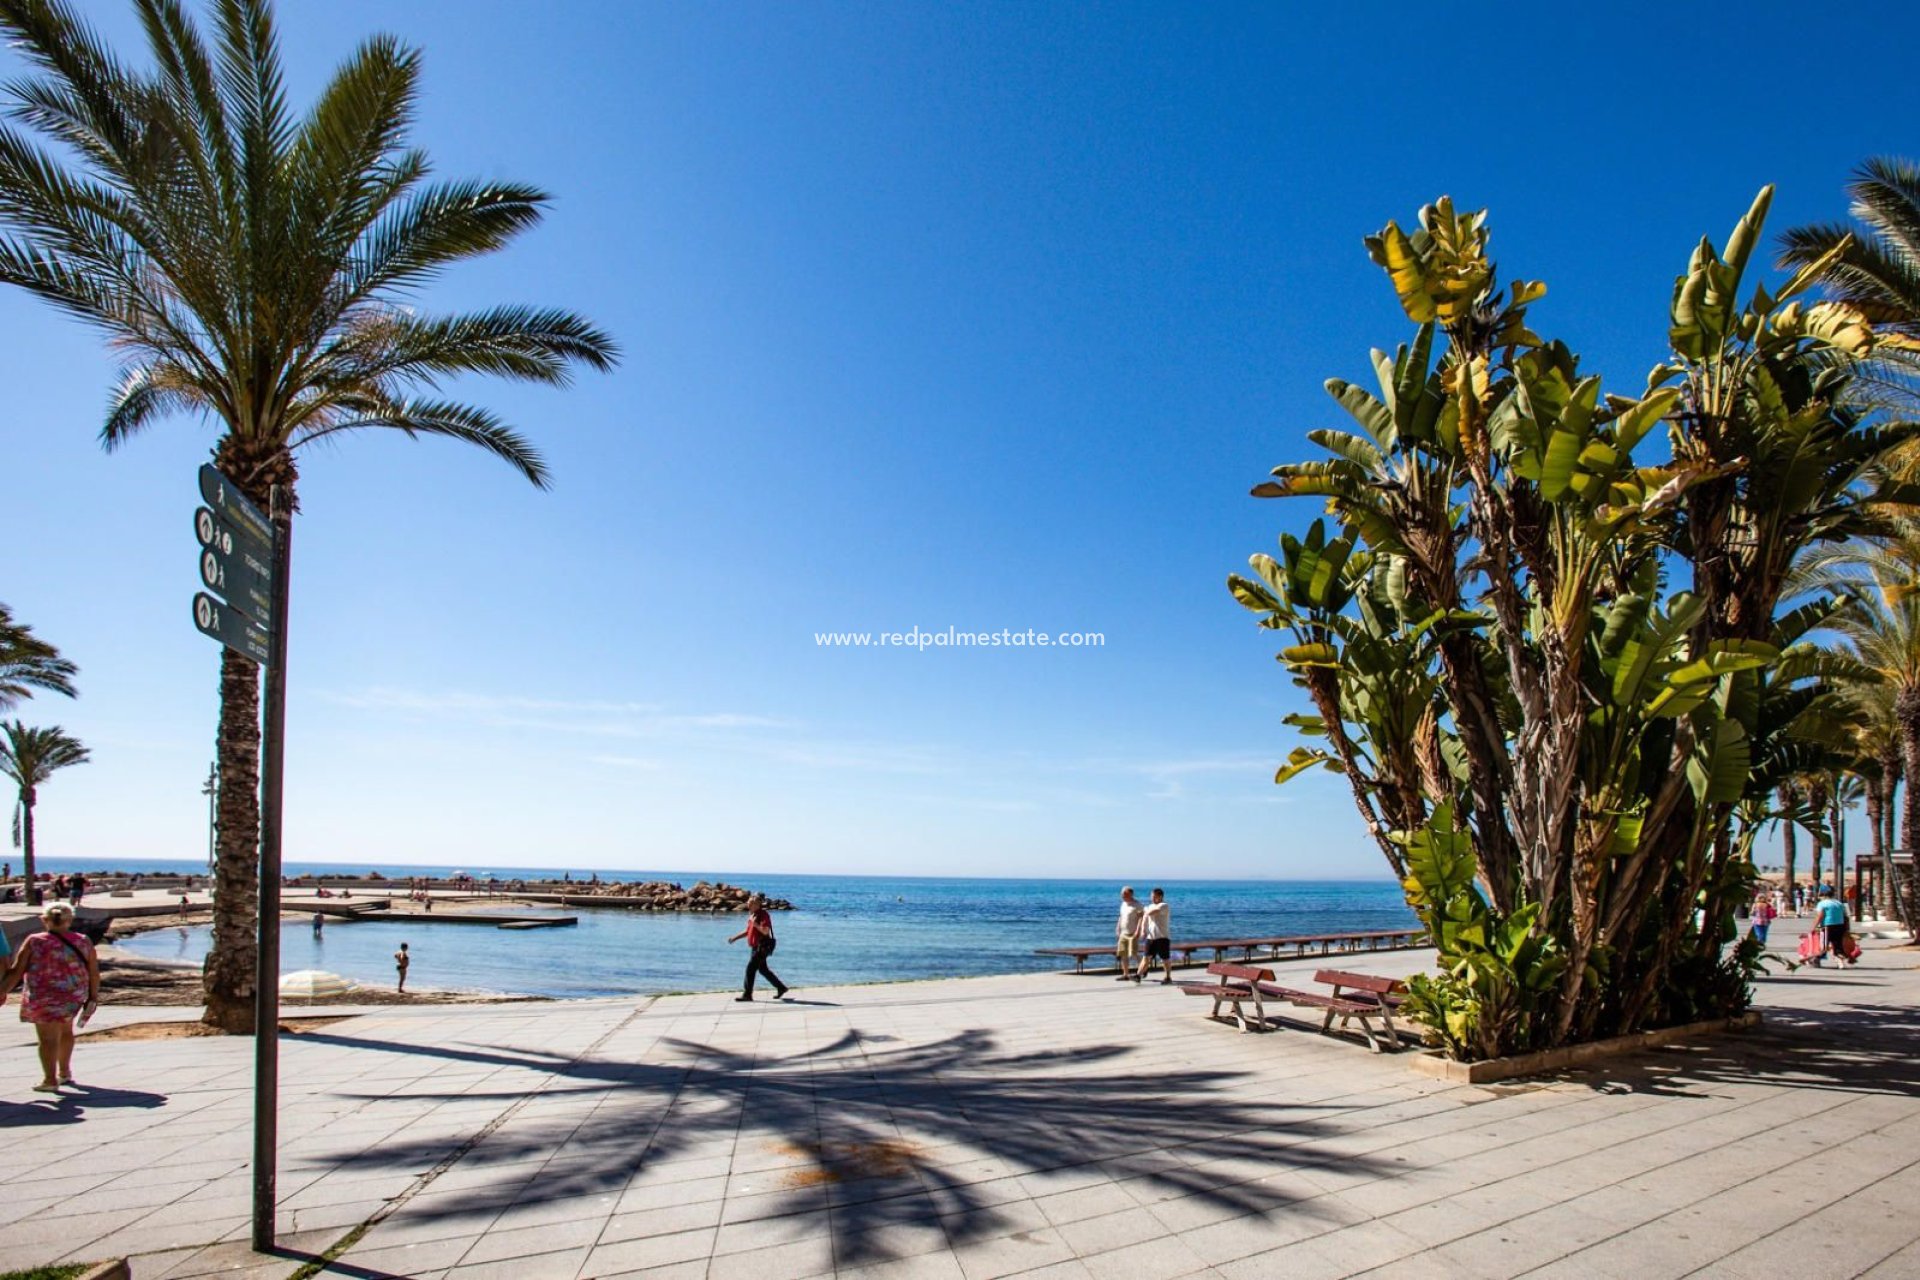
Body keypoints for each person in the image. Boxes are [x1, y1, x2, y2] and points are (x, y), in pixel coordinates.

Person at [0, 902, 100, 1092]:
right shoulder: (83, 940)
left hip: (43, 996)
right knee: (66, 1031)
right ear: (69, 920)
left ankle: (49, 1080)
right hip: (73, 995)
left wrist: (2, 990)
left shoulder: (35, 940)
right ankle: (65, 1072)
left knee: (47, 1039)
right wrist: (93, 996)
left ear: (44, 920)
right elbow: (93, 971)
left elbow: (16, 971)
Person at [728, 894, 789, 1002]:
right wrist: (734, 938)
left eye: (749, 902)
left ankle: (747, 994)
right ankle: (781, 987)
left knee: (750, 969)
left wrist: (755, 923)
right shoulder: (753, 915)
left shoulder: (763, 915)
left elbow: (765, 931)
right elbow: (748, 931)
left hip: (762, 947)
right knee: (763, 970)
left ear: (756, 904)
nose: (747, 904)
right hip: (755, 947)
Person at [1135, 888, 1173, 984]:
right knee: (1146, 957)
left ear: (1160, 896)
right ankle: (1138, 975)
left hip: (1162, 937)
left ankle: (1168, 977)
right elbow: (1145, 918)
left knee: (1165, 959)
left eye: (1154, 896)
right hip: (1151, 937)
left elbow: (1152, 912)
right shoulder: (1150, 906)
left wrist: (1145, 910)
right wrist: (1143, 930)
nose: (1151, 898)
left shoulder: (1164, 905)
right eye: (1151, 896)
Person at [1815, 886, 1852, 967]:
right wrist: (1847, 929)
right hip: (1840, 926)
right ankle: (1840, 960)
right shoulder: (1839, 903)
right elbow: (1846, 917)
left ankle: (1817, 959)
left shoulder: (1822, 903)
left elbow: (1820, 916)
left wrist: (1814, 927)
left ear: (1823, 895)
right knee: (1837, 944)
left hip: (1827, 926)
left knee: (1824, 945)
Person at [1114, 887, 1144, 981]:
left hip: (1133, 932)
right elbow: (1121, 917)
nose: (1122, 896)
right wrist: (1117, 927)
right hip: (1123, 932)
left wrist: (1138, 930)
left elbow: (1141, 918)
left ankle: (1143, 969)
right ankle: (1125, 974)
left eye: (1125, 894)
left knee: (1134, 953)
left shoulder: (1137, 905)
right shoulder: (1123, 904)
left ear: (1131, 894)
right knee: (1123, 953)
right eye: (1122, 894)